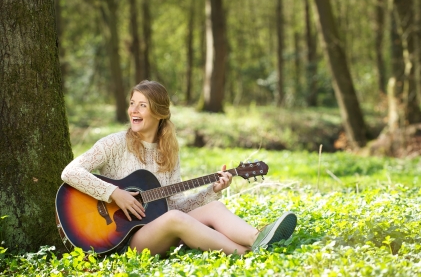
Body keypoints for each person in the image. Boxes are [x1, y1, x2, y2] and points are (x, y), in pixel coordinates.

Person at [61, 80, 297, 256]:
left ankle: (258, 238)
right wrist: (115, 194)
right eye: (132, 103)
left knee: (214, 206)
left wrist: (212, 190)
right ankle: (245, 253)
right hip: (121, 241)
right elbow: (70, 172)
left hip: (156, 229)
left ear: (159, 112)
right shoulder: (114, 143)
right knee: (174, 219)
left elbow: (174, 206)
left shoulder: (168, 153)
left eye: (142, 105)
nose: (134, 110)